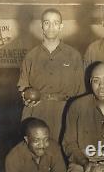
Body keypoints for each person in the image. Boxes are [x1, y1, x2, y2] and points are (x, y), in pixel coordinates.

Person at [17, 8, 84, 141]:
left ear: (61, 26)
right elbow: (23, 86)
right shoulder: (31, 56)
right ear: (42, 26)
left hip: (65, 111)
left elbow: (80, 91)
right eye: (47, 23)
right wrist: (26, 97)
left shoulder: (74, 55)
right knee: (38, 154)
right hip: (37, 111)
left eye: (55, 23)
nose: (51, 27)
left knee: (63, 151)